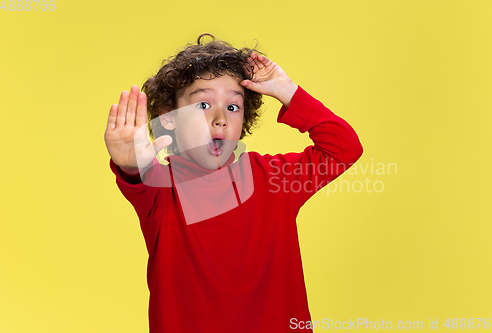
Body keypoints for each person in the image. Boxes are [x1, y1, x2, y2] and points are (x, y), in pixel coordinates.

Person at [104, 33, 363, 332]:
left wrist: (288, 91)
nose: (220, 119)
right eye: (203, 105)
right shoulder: (161, 189)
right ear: (169, 115)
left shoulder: (275, 178)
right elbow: (136, 176)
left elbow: (344, 149)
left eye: (232, 107)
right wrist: (130, 162)